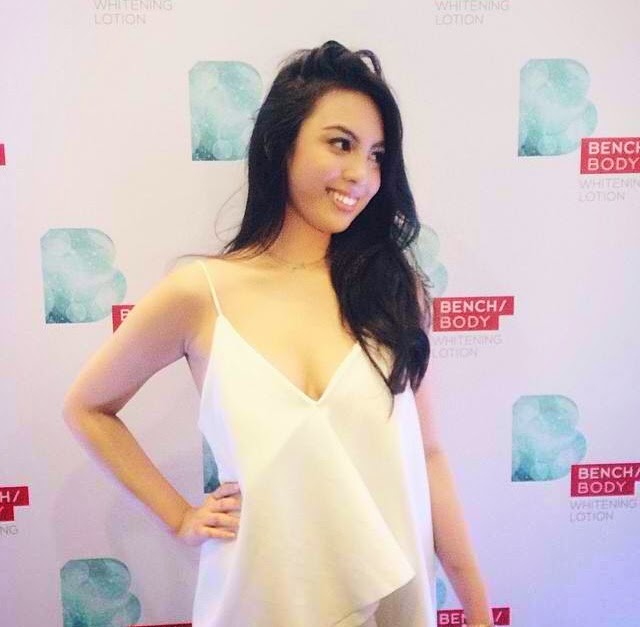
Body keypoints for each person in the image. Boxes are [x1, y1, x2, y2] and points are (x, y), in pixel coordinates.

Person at [63, 40, 493, 627]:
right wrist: (181, 517)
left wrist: (476, 602)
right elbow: (87, 408)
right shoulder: (200, 294)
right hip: (258, 598)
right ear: (280, 144)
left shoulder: (395, 292)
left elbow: (429, 455)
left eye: (377, 155)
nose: (361, 174)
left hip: (391, 601)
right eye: (340, 143)